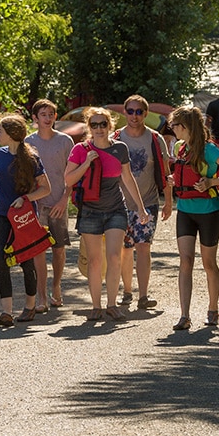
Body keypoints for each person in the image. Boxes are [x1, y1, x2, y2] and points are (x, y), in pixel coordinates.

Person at [64, 107, 148, 322]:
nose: (99, 128)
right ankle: (95, 306)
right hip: (90, 211)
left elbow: (128, 179)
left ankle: (112, 304)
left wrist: (140, 207)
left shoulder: (120, 148)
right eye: (94, 125)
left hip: (115, 210)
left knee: (114, 257)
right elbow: (69, 180)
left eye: (103, 124)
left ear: (110, 126)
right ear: (89, 127)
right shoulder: (81, 149)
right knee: (94, 261)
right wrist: (86, 163)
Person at [168, 105, 219, 331]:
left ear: (186, 127)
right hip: (185, 212)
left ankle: (213, 309)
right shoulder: (180, 148)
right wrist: (174, 180)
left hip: (208, 212)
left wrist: (211, 182)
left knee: (209, 264)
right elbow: (181, 173)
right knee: (185, 261)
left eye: (175, 125)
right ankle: (184, 315)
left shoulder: (209, 150)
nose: (172, 129)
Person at [0, 115, 51, 327]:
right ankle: (6, 312)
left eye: (0, 131)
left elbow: (46, 188)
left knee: (26, 259)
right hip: (2, 213)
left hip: (23, 216)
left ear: (12, 134)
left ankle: (29, 306)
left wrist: (25, 198)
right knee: (1, 260)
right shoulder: (2, 153)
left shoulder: (32, 158)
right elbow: (1, 178)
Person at [113, 95, 173, 310]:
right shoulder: (116, 138)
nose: (135, 116)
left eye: (139, 112)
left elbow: (166, 173)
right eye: (130, 111)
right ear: (125, 112)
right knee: (125, 248)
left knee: (143, 247)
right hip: (119, 203)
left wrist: (168, 201)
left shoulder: (155, 139)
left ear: (146, 114)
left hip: (148, 201)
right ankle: (127, 291)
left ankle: (143, 296)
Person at [25, 99, 74, 311]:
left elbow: (72, 175)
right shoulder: (27, 141)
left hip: (58, 203)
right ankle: (42, 296)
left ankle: (56, 286)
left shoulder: (66, 141)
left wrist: (65, 199)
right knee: (38, 251)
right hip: (36, 204)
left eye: (51, 114)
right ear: (35, 118)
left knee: (59, 249)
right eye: (43, 114)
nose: (48, 118)